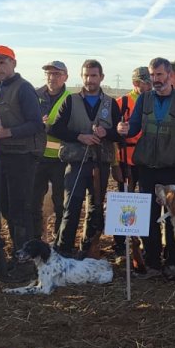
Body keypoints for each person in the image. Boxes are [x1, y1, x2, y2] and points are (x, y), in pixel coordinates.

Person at [119, 58, 175, 281]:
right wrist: (124, 128)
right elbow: (134, 126)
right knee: (148, 216)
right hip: (147, 167)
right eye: (153, 75)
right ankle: (153, 263)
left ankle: (173, 262)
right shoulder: (144, 99)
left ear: (169, 75)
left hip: (172, 168)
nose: (155, 79)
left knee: (173, 216)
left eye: (159, 75)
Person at [48, 59, 121, 259]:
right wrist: (79, 136)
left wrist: (107, 133)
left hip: (100, 164)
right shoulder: (70, 101)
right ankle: (64, 250)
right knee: (71, 205)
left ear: (101, 77)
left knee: (95, 208)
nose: (90, 80)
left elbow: (120, 134)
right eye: (86, 75)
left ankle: (88, 249)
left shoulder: (111, 104)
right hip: (75, 162)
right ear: (81, 77)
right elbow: (55, 128)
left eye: (94, 75)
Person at [0, 45, 46, 283]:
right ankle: (16, 257)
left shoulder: (24, 89)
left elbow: (36, 124)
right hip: (5, 155)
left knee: (20, 212)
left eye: (2, 62)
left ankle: (26, 265)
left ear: (13, 63)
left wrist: (7, 133)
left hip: (22, 157)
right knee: (7, 210)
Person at [112, 67, 149, 263]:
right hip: (125, 160)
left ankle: (142, 244)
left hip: (147, 160)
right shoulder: (122, 102)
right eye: (146, 82)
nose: (150, 86)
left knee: (144, 202)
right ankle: (120, 244)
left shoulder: (153, 100)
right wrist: (115, 164)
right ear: (136, 83)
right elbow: (112, 135)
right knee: (124, 202)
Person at [33, 61, 69, 242]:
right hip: (37, 157)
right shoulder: (34, 95)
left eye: (56, 74)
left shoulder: (72, 98)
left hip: (60, 159)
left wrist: (45, 127)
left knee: (60, 201)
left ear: (65, 77)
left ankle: (59, 238)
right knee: (34, 200)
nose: (51, 77)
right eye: (48, 73)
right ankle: (35, 237)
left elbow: (70, 128)